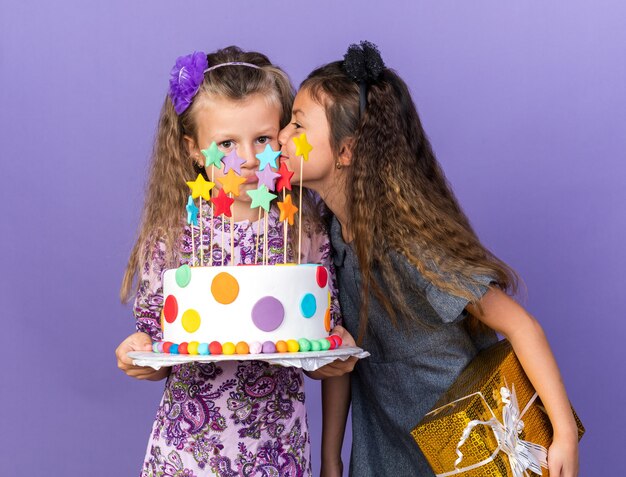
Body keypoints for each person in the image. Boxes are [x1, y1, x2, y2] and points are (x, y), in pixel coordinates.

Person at [278, 41, 580, 477]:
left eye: (298, 126)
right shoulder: (328, 241)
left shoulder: (409, 242)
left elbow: (520, 325)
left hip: (465, 442)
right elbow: (342, 355)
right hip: (387, 445)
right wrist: (331, 459)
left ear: (346, 152)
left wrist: (564, 433)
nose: (282, 137)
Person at [115, 46, 345, 477]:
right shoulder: (173, 238)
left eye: (262, 138)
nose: (250, 158)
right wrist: (136, 353)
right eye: (226, 143)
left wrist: (333, 349)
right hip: (189, 450)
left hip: (277, 447)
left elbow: (319, 337)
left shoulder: (304, 231)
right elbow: (152, 339)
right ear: (195, 150)